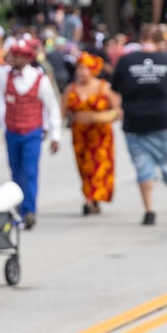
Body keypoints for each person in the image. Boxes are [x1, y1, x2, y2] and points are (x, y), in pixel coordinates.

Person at [0, 32, 61, 228]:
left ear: (26, 58)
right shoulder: (3, 75)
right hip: (12, 132)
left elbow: (52, 106)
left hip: (32, 132)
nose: (12, 57)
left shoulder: (40, 79)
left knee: (30, 172)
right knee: (16, 172)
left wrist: (55, 133)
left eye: (17, 54)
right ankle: (18, 211)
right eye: (13, 54)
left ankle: (29, 210)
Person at [111, 24, 167, 226]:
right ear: (159, 42)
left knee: (143, 168)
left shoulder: (125, 61)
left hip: (134, 122)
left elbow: (115, 89)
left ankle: (149, 211)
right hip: (163, 121)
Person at [62, 51, 119, 216]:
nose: (80, 71)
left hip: (100, 134)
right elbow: (62, 112)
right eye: (78, 67)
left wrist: (101, 116)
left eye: (84, 68)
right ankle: (91, 198)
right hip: (79, 134)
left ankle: (89, 199)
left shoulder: (104, 87)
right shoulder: (71, 89)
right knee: (84, 167)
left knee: (97, 167)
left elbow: (117, 111)